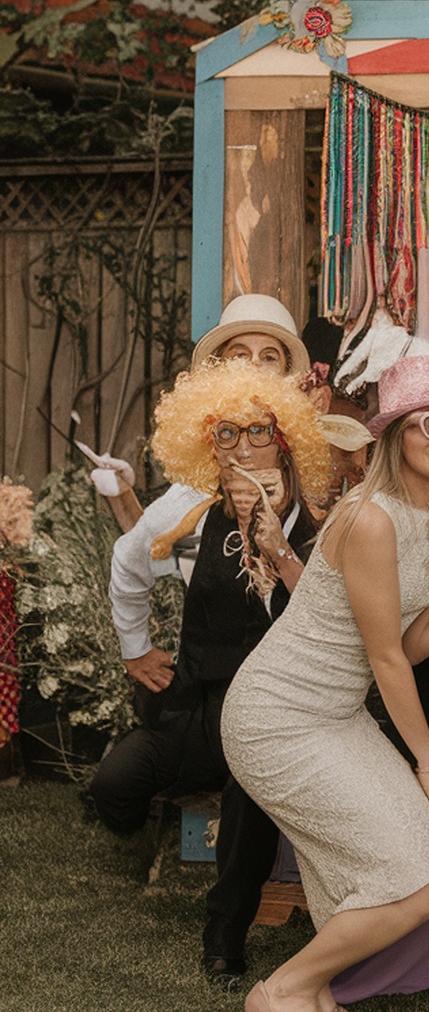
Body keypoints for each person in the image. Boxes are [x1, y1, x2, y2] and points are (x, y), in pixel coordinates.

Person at [220, 353, 429, 1012]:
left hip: (332, 715)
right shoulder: (370, 518)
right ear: (394, 437)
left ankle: (314, 990)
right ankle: (283, 992)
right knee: (415, 880)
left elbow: (408, 645)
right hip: (277, 716)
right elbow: (384, 661)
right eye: (428, 424)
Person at [89, 359, 329, 867]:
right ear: (208, 442)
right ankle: (132, 828)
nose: (243, 448)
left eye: (259, 431)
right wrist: (135, 650)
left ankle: (231, 920)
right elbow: (129, 561)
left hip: (277, 718)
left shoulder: (318, 517)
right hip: (194, 710)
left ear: (284, 438)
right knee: (114, 785)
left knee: (249, 805)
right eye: (227, 433)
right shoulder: (189, 507)